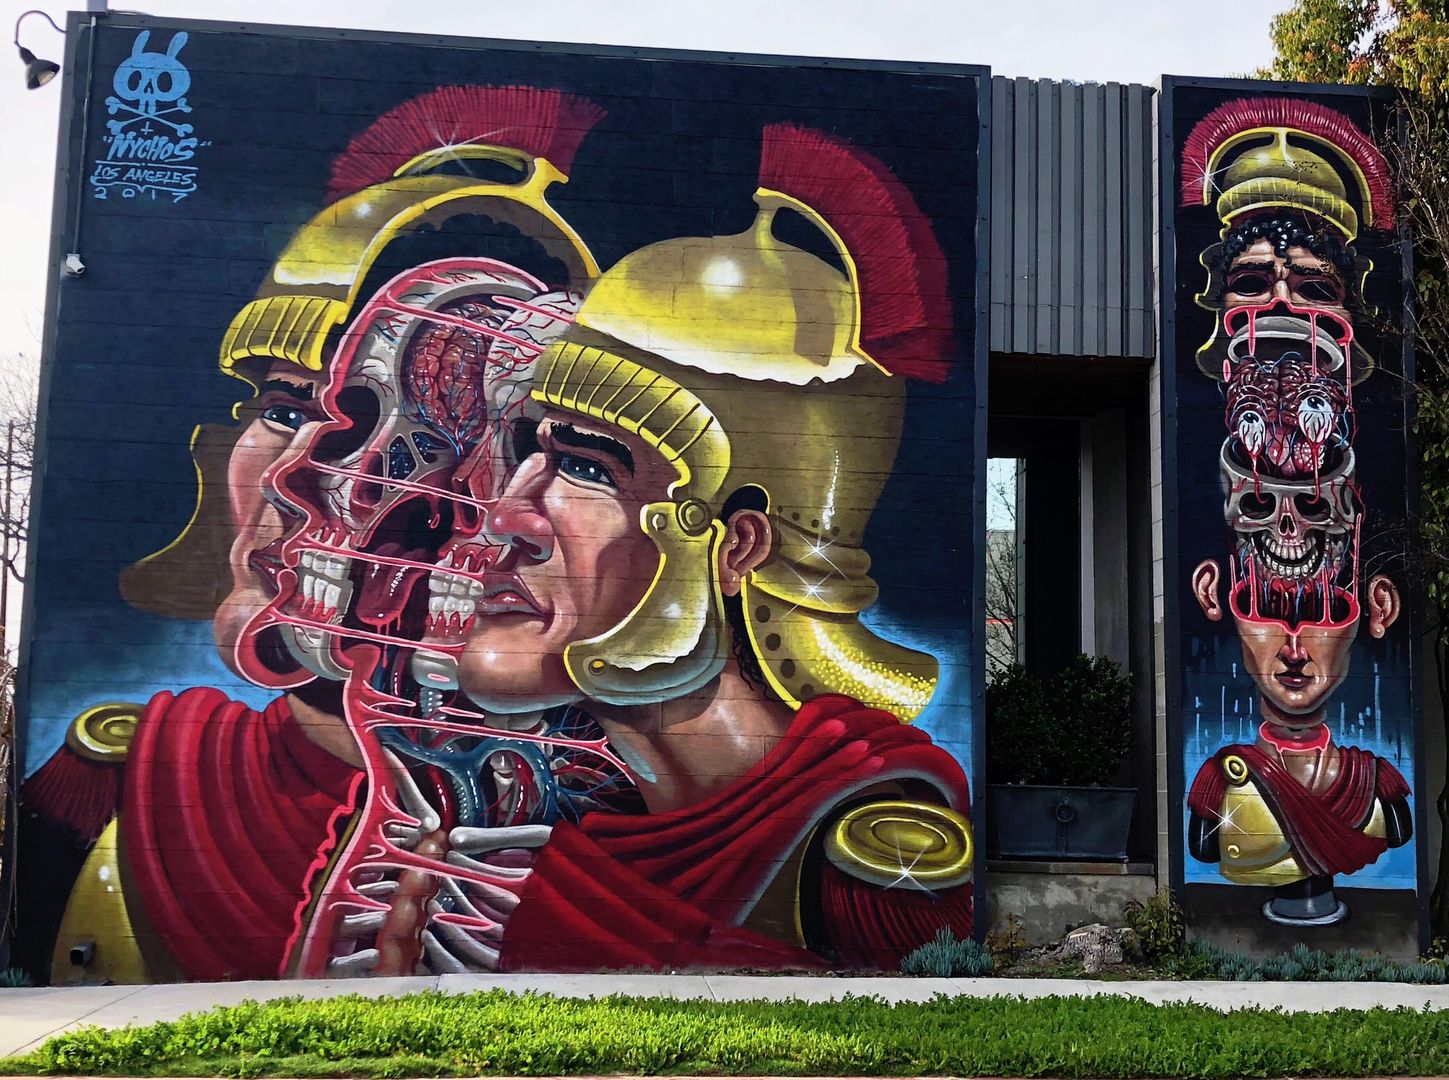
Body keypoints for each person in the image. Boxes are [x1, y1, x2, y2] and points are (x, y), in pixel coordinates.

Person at [286, 122, 976, 975]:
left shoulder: (865, 845)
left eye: (585, 467)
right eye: (528, 450)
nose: (505, 513)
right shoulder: (567, 816)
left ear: (737, 547)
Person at [16, 85, 604, 983]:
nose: (298, 472)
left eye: (429, 424)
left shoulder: (682, 837)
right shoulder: (118, 779)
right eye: (286, 409)